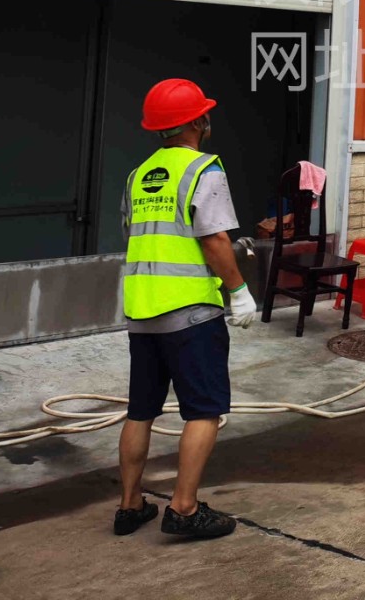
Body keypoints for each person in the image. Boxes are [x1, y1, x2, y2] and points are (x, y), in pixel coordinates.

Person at [114, 78, 257, 541]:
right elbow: (213, 240)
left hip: (143, 310)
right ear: (199, 121)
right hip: (191, 312)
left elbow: (136, 235)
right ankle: (184, 508)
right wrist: (238, 290)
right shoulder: (203, 169)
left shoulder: (138, 175)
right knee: (204, 411)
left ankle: (130, 505)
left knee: (141, 411)